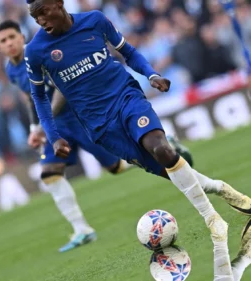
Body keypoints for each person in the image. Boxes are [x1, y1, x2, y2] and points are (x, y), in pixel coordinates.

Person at [24, 1, 251, 279]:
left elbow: (127, 52)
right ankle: (222, 188)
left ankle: (213, 220)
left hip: (126, 97)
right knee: (168, 170)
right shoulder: (36, 51)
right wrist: (53, 136)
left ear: (58, 3)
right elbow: (39, 97)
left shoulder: (95, 20)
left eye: (43, 11)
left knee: (162, 149)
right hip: (100, 125)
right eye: (34, 16)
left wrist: (151, 74)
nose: (40, 20)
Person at [0, 19, 192, 253]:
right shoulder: (10, 70)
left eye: (12, 37)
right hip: (55, 127)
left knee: (117, 167)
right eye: (3, 41)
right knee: (49, 173)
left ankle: (168, 152)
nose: (9, 44)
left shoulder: (38, 54)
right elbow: (31, 97)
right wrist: (34, 129)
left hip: (80, 116)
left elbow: (61, 89)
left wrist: (43, 124)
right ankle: (82, 229)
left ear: (21, 37)